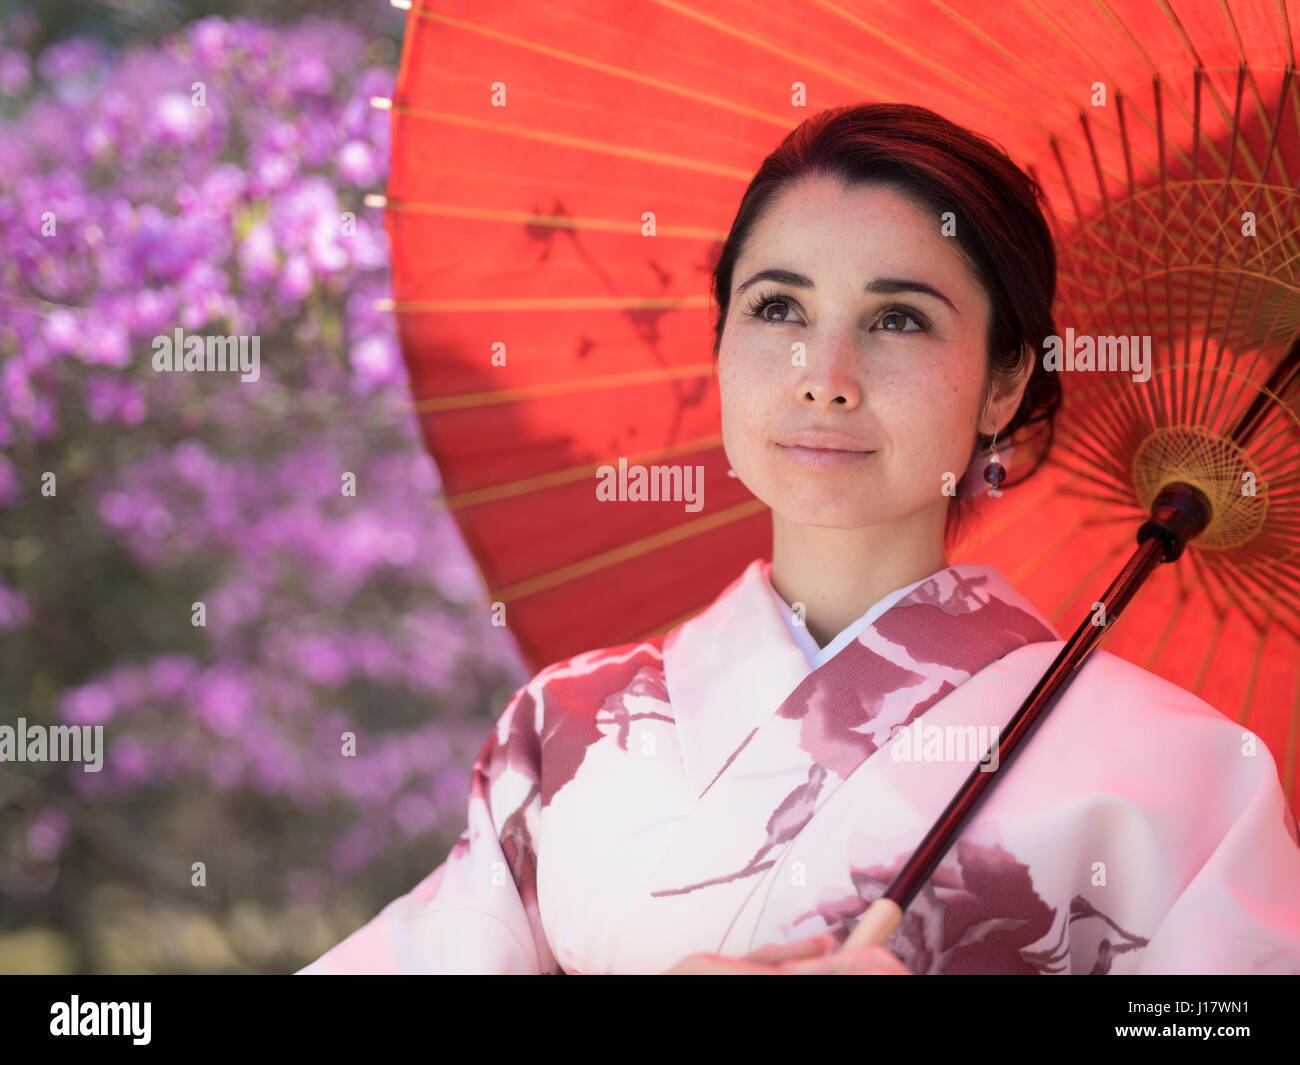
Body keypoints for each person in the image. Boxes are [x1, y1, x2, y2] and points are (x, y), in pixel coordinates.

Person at [297, 103, 1300, 976]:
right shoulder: (564, 734)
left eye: (898, 319)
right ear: (721, 341)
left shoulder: (1183, 773)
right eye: (777, 307)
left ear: (1003, 380)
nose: (824, 374)